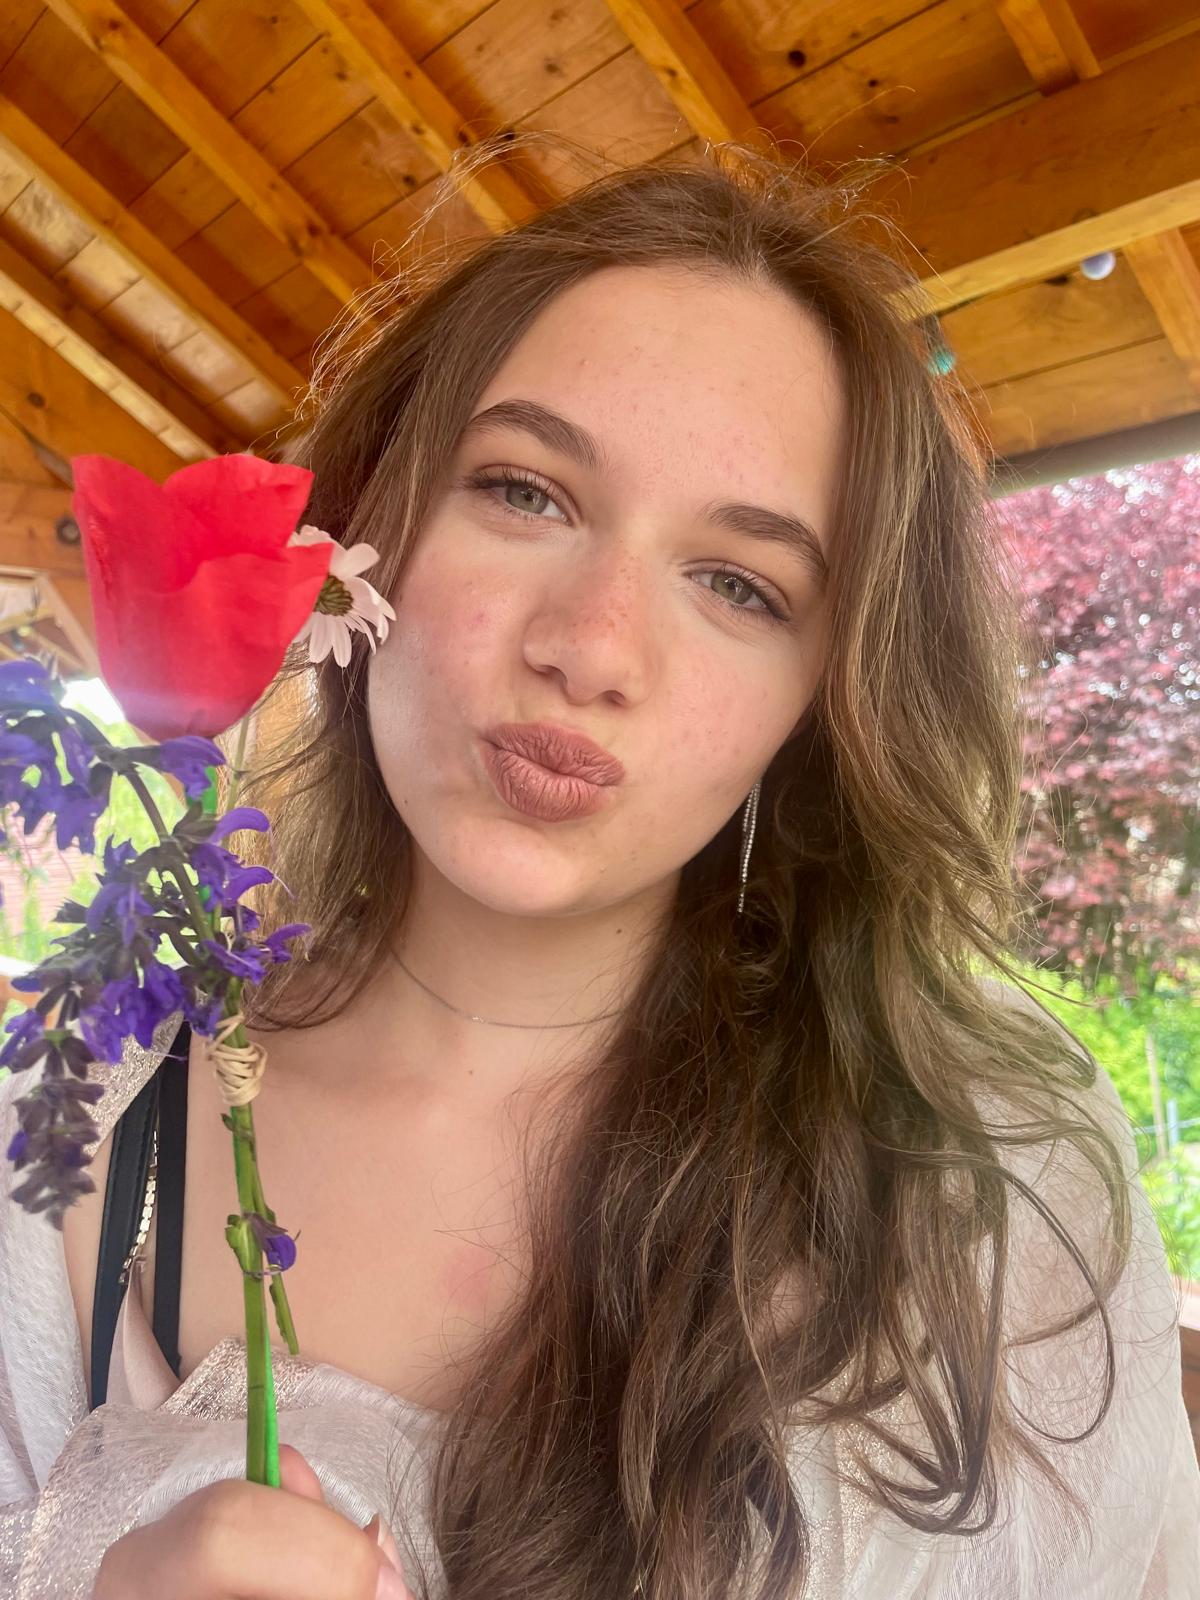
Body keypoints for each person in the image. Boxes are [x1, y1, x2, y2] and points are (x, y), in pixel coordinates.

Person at [1, 137, 1196, 1600]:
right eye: (526, 493)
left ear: (824, 702)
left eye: (740, 584)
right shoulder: (71, 1139)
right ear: (364, 531)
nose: (591, 647)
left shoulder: (991, 1172)